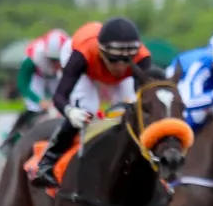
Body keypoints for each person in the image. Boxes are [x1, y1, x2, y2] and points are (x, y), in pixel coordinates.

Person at [30, 17, 152, 188]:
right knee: (87, 109)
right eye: (114, 60)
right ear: (101, 52)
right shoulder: (82, 53)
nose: (120, 68)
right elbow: (59, 96)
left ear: (134, 56)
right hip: (86, 67)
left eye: (127, 61)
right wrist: (70, 111)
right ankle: (47, 161)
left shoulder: (143, 58)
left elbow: (145, 101)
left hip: (101, 64)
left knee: (130, 111)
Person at [9, 28, 69, 137]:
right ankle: (13, 136)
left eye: (59, 59)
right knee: (34, 107)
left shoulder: (72, 57)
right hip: (38, 77)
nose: (57, 64)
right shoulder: (32, 57)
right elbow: (22, 84)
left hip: (56, 78)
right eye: (53, 59)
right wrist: (39, 101)